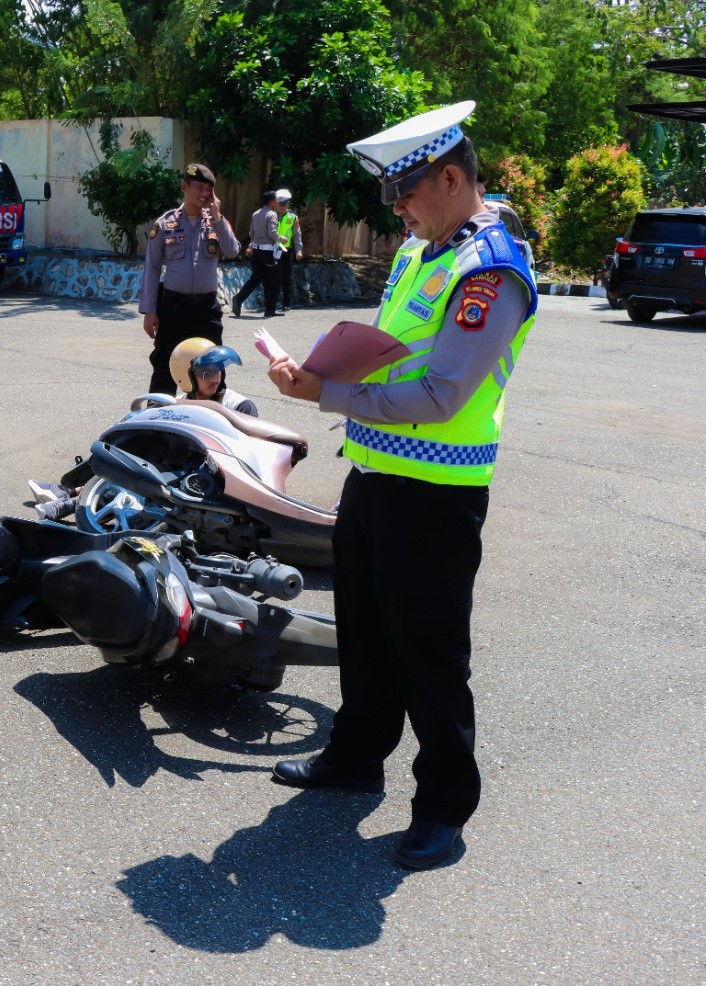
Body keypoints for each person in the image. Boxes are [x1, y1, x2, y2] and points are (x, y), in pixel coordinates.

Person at [266, 101, 537, 871]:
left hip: (437, 496)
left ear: (452, 178)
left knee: (430, 655)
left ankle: (444, 807)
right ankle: (356, 761)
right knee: (366, 634)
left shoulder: (490, 269)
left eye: (405, 193)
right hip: (376, 476)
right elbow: (391, 355)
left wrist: (324, 396)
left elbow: (442, 394)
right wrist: (323, 369)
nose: (397, 209)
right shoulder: (425, 254)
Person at [28, 338, 258, 521]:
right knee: (137, 444)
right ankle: (70, 491)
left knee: (155, 476)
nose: (215, 378)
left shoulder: (239, 405)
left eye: (219, 370)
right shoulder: (175, 404)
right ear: (186, 376)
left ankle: (69, 497)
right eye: (207, 372)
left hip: (215, 479)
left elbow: (246, 457)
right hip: (180, 473)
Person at [138, 163, 240, 394]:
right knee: (164, 365)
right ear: (185, 187)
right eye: (200, 188)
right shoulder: (165, 224)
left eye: (209, 190)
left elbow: (233, 250)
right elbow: (152, 268)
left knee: (212, 367)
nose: (205, 194)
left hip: (206, 309)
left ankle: (210, 419)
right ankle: (158, 423)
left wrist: (217, 216)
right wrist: (149, 311)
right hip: (174, 308)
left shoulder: (216, 222)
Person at [231, 189, 282, 318]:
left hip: (257, 252)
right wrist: (282, 238)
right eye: (277, 200)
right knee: (273, 281)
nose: (278, 203)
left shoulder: (256, 214)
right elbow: (272, 232)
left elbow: (251, 233)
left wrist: (250, 246)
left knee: (256, 278)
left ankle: (238, 298)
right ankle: (270, 310)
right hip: (267, 252)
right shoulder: (272, 214)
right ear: (271, 202)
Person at [274, 188, 305, 312]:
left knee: (286, 278)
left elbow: (297, 235)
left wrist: (299, 250)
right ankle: (271, 302)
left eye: (284, 204)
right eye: (279, 204)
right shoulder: (271, 215)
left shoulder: (292, 218)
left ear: (288, 204)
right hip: (272, 250)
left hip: (285, 251)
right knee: (272, 277)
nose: (281, 207)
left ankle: (286, 303)